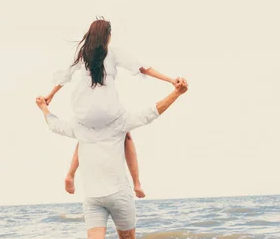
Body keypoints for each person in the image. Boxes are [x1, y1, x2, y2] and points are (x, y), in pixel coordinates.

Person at [35, 78, 188, 239]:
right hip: (119, 193)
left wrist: (44, 108)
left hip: (93, 196)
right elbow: (152, 112)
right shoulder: (119, 123)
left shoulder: (81, 128)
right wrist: (177, 93)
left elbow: (55, 125)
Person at [43, 18, 178, 198]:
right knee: (126, 134)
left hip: (83, 110)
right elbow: (143, 68)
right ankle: (137, 183)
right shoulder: (112, 53)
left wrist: (50, 95)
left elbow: (64, 78)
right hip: (108, 109)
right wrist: (170, 80)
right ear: (107, 36)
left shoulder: (81, 54)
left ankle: (70, 174)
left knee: (84, 135)